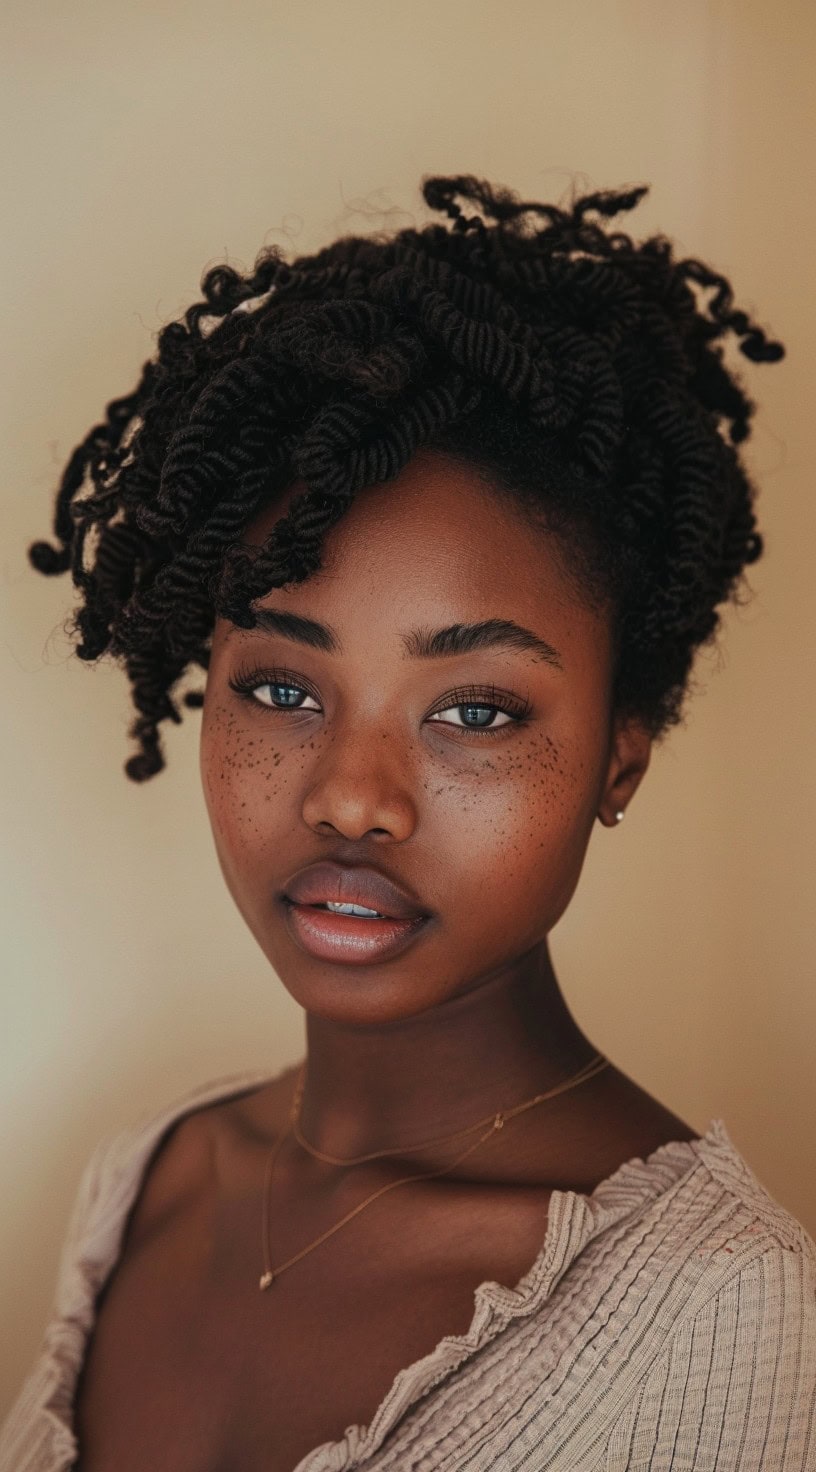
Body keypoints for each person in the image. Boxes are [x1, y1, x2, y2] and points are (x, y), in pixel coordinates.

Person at [2, 173, 814, 1472]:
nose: (351, 797)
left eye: (477, 712)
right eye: (279, 685)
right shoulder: (145, 1182)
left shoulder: (722, 1305)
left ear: (620, 756)